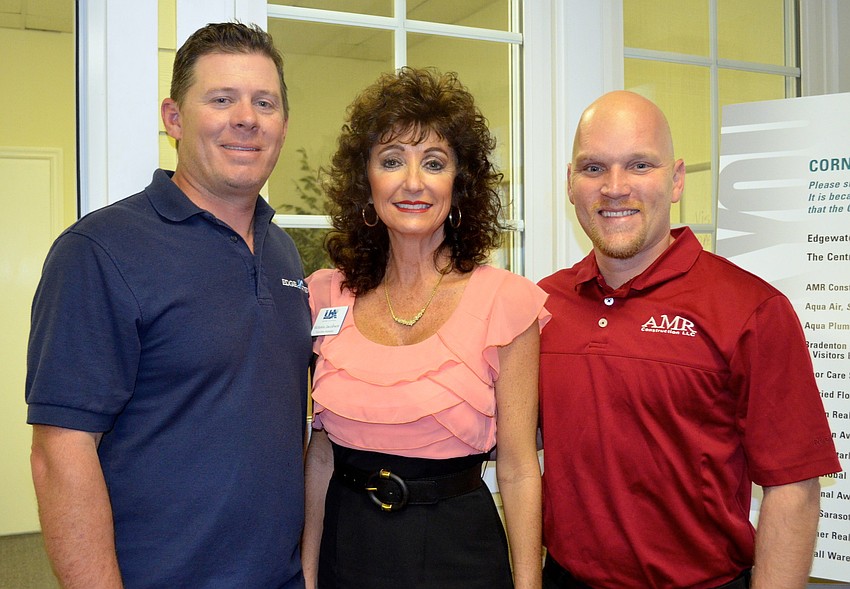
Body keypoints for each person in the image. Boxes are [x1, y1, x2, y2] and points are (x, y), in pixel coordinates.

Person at [26, 22, 312, 589]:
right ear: (174, 119)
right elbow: (60, 453)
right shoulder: (99, 251)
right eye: (221, 99)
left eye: (264, 102)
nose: (246, 118)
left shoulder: (283, 253)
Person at [538, 90, 841, 589]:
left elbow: (794, 489)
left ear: (676, 180)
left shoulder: (752, 310)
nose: (615, 188)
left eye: (639, 165)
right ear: (570, 183)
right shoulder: (543, 306)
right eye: (594, 168)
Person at [302, 67, 549, 589]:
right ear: (366, 184)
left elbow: (520, 469)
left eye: (433, 163)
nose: (412, 182)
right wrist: (306, 573)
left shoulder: (506, 302)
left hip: (457, 553)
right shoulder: (325, 296)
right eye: (392, 161)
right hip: (347, 551)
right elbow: (320, 451)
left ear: (458, 186)